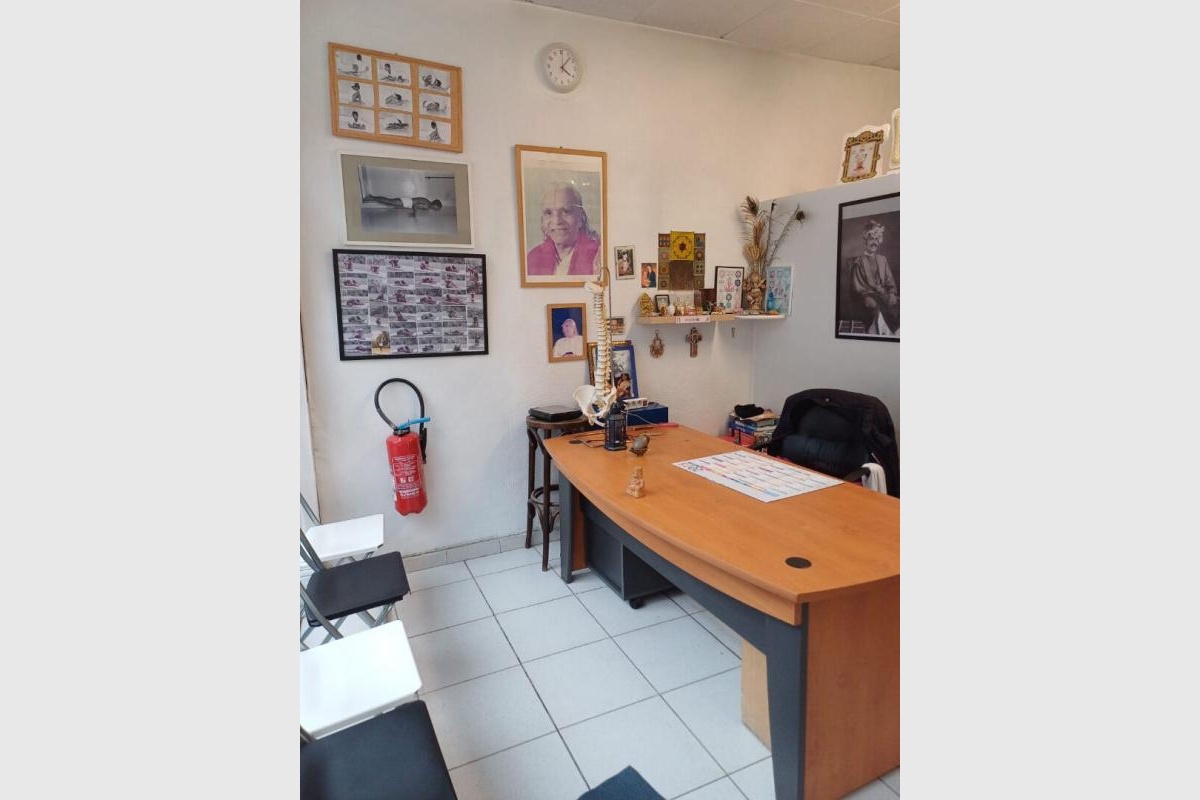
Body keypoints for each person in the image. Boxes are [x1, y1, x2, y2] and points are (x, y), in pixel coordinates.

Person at [526, 182, 601, 276]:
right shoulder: (533, 258)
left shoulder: (598, 256)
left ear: (581, 217)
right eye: (548, 213)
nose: (556, 221)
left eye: (566, 211)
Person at [846, 219, 899, 334]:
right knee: (877, 307)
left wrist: (892, 293)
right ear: (866, 240)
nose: (874, 242)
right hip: (866, 298)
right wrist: (865, 297)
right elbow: (857, 287)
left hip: (883, 295)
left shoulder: (883, 260)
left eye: (876, 239)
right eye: (871, 239)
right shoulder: (858, 262)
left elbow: (889, 281)